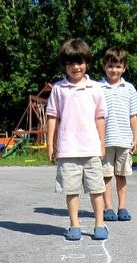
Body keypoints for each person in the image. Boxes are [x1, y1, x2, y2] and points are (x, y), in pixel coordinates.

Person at [46, 38, 109, 241]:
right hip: (68, 149)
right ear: (65, 65)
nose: (76, 67)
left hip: (90, 148)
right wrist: (50, 144)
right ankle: (74, 224)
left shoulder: (96, 88)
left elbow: (100, 117)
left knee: (96, 189)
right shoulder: (58, 89)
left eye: (79, 62)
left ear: (86, 63)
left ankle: (100, 223)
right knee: (71, 190)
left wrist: (102, 143)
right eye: (71, 63)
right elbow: (52, 117)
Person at [99, 47, 137, 222]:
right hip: (105, 140)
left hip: (124, 140)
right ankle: (108, 207)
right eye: (110, 66)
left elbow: (133, 115)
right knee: (106, 175)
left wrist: (135, 138)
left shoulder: (129, 88)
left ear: (124, 68)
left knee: (121, 174)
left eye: (118, 66)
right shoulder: (98, 88)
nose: (114, 70)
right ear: (104, 67)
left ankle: (122, 207)